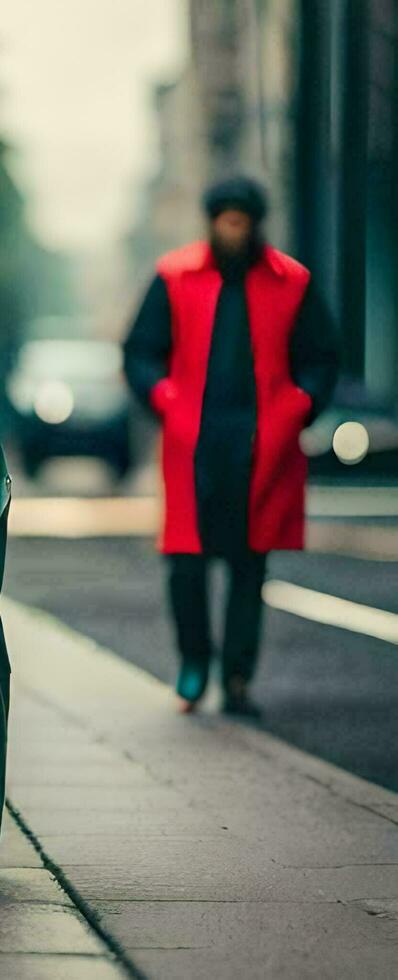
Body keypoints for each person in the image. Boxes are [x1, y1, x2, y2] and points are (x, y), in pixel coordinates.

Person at [123, 176, 339, 718]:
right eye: (225, 220)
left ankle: (237, 679)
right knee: (186, 563)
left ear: (255, 223)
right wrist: (166, 398)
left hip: (263, 444)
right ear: (212, 222)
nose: (233, 230)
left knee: (249, 564)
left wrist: (296, 407)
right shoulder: (174, 277)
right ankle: (193, 663)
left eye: (242, 221)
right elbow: (140, 351)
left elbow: (321, 358)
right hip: (193, 441)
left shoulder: (292, 281)